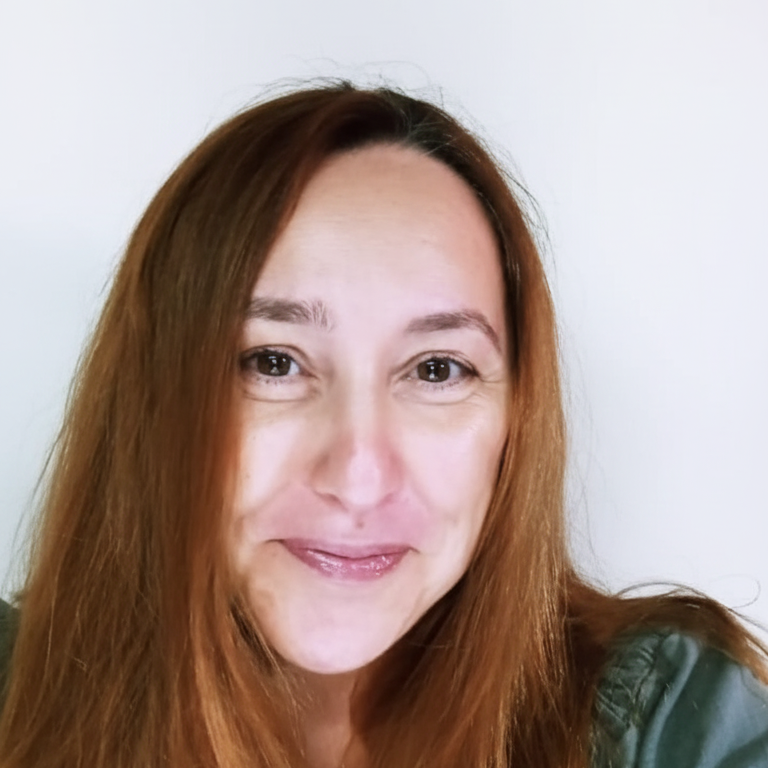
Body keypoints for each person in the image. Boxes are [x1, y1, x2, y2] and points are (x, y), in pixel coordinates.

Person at [0, 83, 766, 768]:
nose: (359, 475)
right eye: (274, 362)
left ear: (514, 421)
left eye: (436, 370)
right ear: (156, 396)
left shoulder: (666, 720)